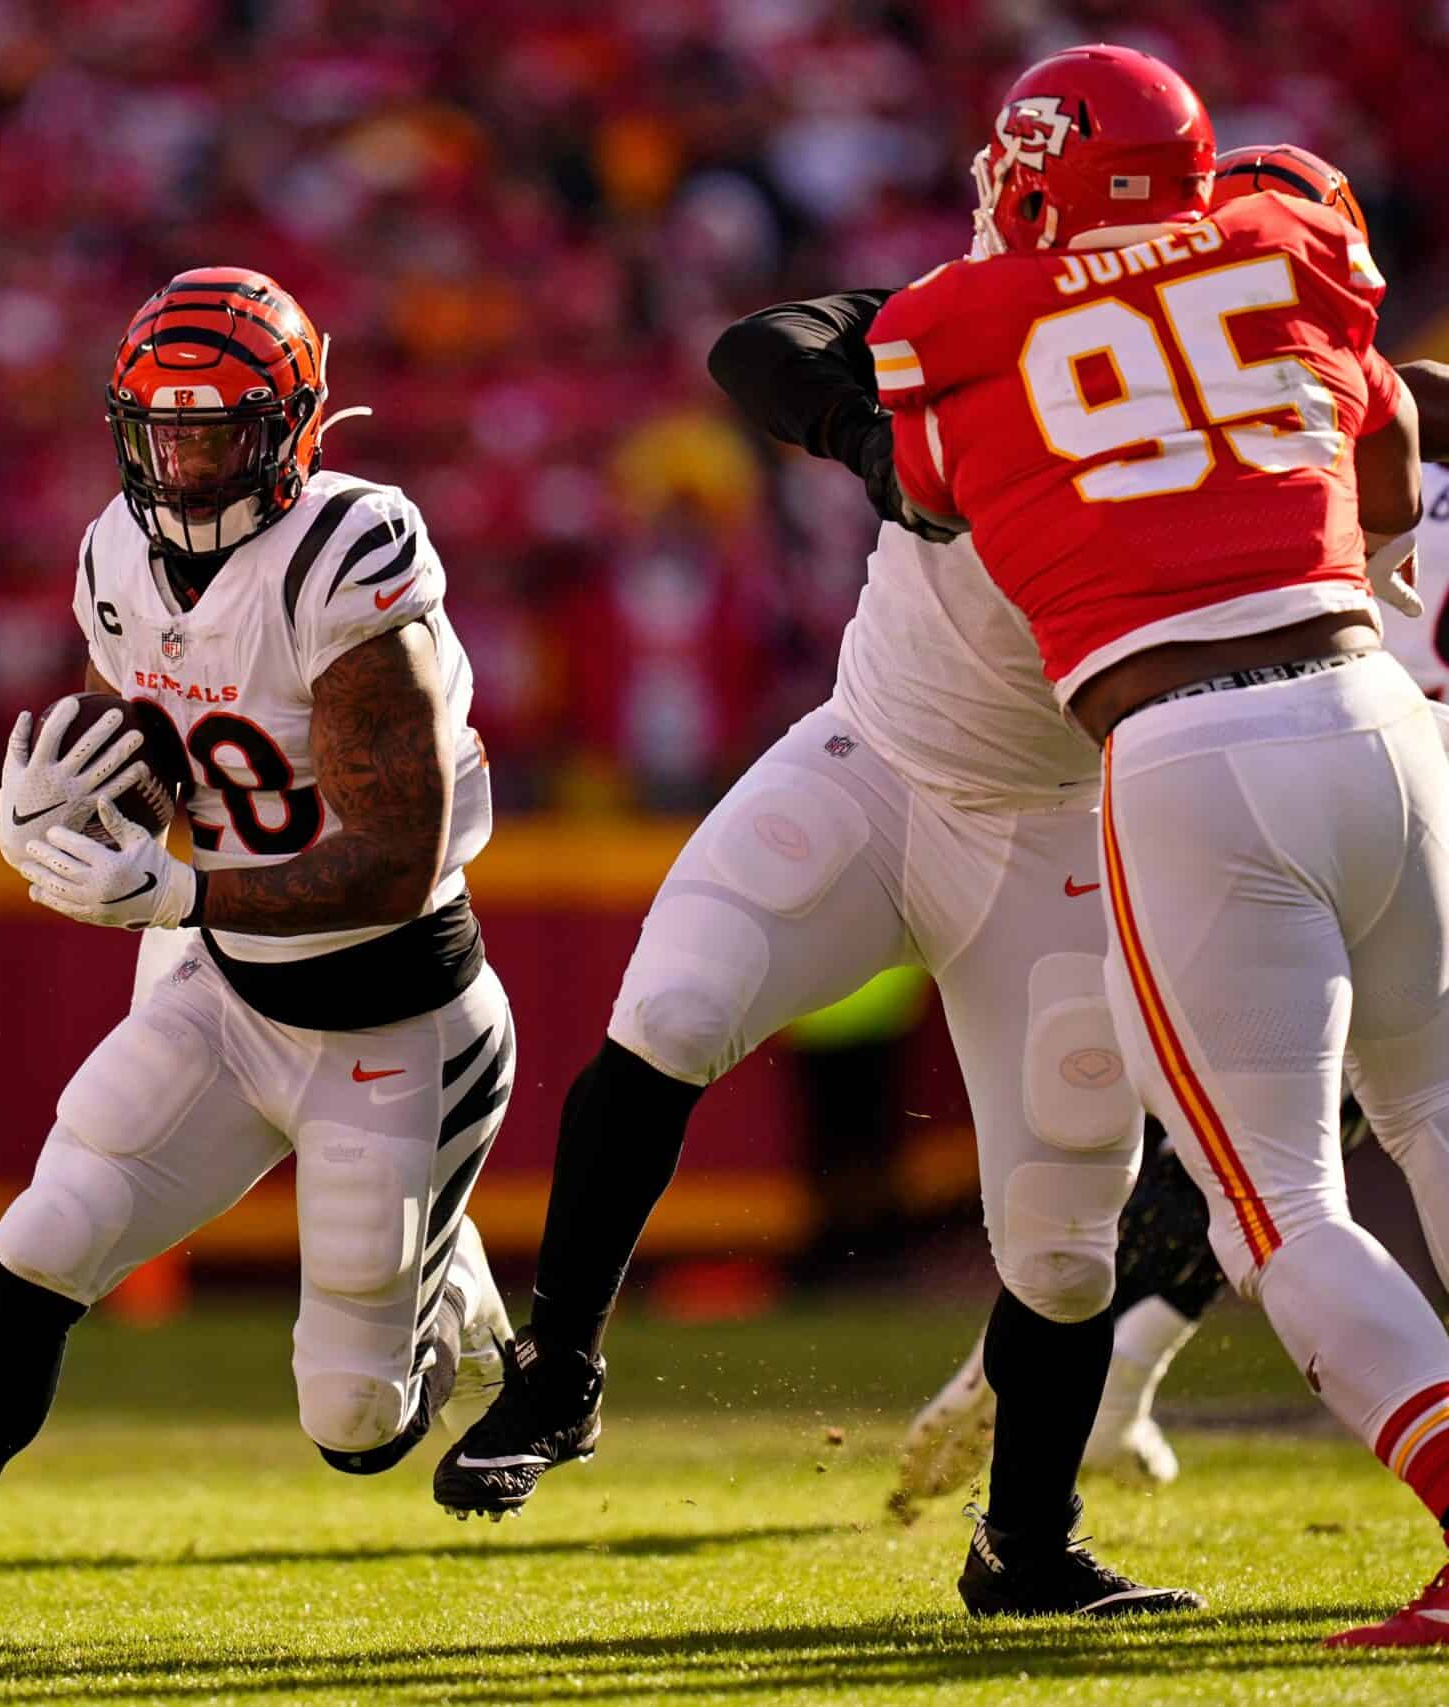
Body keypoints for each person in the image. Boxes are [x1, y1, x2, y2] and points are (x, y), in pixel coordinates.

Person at [429, 67, 1202, 1623]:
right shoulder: (965, 313)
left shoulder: (1218, 373)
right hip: (876, 761)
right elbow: (761, 345)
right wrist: (868, 438)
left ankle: (1028, 1547)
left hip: (1057, 820)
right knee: (666, 1016)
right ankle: (562, 1366)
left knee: (1060, 1245)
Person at [0, 267, 513, 1655]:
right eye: (162, 433)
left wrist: (174, 885)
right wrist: (66, 802)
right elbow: (146, 738)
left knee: (354, 1428)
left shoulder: (350, 557)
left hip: (391, 1014)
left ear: (288, 427)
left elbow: (395, 858)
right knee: (42, 1240)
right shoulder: (116, 549)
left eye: (216, 431)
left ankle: (439, 1274)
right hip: (230, 1000)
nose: (183, 461)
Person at [869, 45, 1449, 1650]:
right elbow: (1386, 441)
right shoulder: (1292, 244)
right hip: (1377, 709)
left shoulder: (946, 318)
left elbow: (927, 484)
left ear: (1045, 166)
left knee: (1277, 1205)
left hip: (1192, 739)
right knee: (1439, 1106)